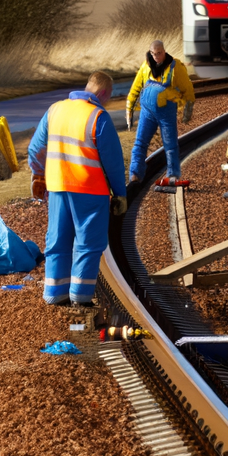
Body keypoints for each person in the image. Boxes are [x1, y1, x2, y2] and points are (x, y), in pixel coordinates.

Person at [28, 71, 127, 306]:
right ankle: (80, 297)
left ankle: (54, 293)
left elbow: (36, 148)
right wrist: (120, 193)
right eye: (109, 95)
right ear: (103, 92)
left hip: (57, 187)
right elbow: (113, 161)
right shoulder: (98, 117)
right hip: (89, 189)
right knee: (87, 244)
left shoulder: (55, 110)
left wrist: (39, 176)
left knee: (58, 240)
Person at [127, 39, 196, 188]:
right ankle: (135, 174)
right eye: (154, 54)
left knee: (170, 144)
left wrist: (187, 110)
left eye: (159, 53)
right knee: (140, 142)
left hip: (166, 111)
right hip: (147, 112)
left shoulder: (175, 67)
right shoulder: (146, 66)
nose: (157, 56)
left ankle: (172, 174)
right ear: (150, 53)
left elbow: (188, 89)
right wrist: (129, 109)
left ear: (164, 51)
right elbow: (136, 87)